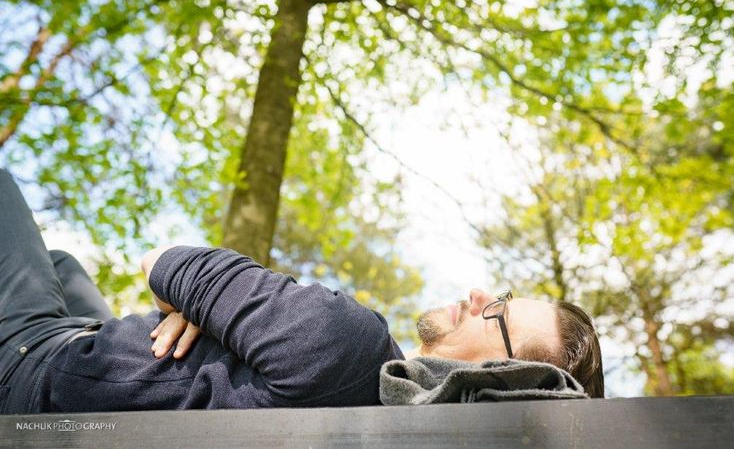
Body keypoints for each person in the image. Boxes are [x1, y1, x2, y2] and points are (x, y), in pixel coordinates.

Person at [0, 169, 603, 414]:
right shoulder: (358, 403)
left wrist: (194, 302)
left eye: (496, 311)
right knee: (60, 260)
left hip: (34, 367)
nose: (478, 294)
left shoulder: (350, 346)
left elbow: (163, 262)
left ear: (501, 374)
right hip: (80, 360)